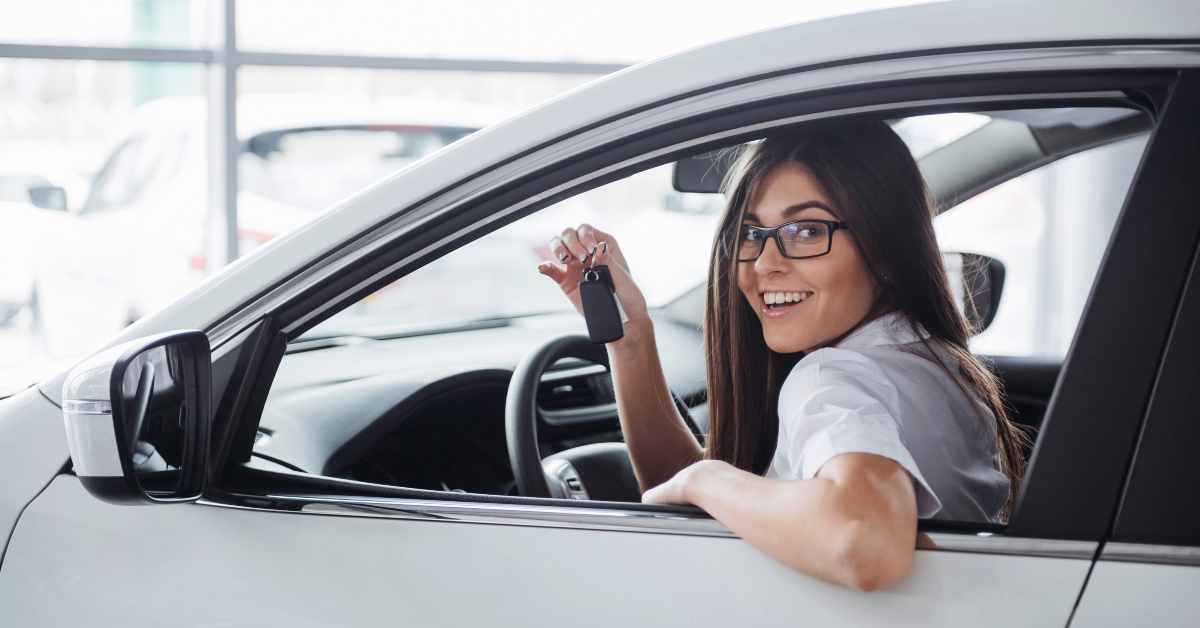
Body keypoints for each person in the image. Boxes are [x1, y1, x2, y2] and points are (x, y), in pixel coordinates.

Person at [536, 122, 1027, 591]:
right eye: (752, 234)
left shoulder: (830, 377)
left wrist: (710, 477)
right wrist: (631, 340)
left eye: (807, 231)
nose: (766, 265)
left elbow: (867, 541)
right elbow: (689, 502)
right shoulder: (938, 362)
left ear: (885, 248)